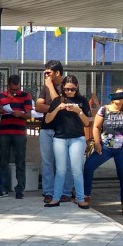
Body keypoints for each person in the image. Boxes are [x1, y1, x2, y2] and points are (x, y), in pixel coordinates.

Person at [84, 88, 123, 215]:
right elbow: (96, 127)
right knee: (89, 166)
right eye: (118, 95)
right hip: (105, 147)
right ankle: (86, 195)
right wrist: (97, 143)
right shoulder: (104, 109)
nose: (121, 98)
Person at [44, 75, 91, 208]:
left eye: (72, 89)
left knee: (76, 170)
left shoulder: (82, 100)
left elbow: (87, 122)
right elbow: (47, 120)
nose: (69, 92)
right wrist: (58, 108)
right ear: (62, 88)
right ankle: (56, 198)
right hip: (60, 138)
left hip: (77, 138)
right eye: (66, 89)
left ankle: (80, 198)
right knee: (61, 170)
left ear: (77, 88)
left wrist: (79, 111)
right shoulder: (57, 100)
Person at [35, 61, 73, 203]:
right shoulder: (45, 88)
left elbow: (62, 103)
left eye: (48, 73)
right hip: (46, 128)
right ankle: (48, 192)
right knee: (47, 162)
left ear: (57, 73)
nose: (46, 76)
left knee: (64, 163)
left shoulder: (67, 85)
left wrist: (51, 89)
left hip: (63, 130)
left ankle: (66, 191)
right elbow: (38, 106)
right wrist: (56, 107)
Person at [0, 74, 32, 199]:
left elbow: (28, 114)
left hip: (19, 133)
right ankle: (3, 188)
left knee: (20, 161)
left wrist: (19, 114)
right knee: (3, 161)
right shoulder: (0, 96)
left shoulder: (25, 95)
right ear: (8, 85)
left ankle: (20, 189)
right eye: (13, 89)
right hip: (4, 132)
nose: (15, 92)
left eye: (17, 89)